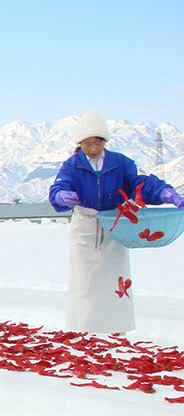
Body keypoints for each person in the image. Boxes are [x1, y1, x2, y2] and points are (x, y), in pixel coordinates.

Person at [49, 110, 184, 333]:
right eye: (87, 144)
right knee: (86, 281)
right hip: (86, 227)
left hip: (114, 225)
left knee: (115, 280)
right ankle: (84, 329)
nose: (93, 149)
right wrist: (61, 196)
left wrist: (164, 193)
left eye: (97, 143)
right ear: (80, 143)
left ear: (105, 141)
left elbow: (141, 183)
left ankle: (115, 329)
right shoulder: (72, 165)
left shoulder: (121, 163)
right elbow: (59, 187)